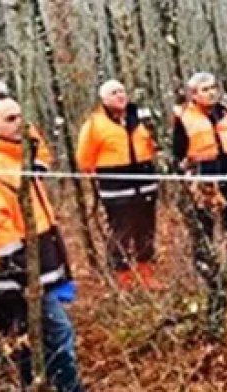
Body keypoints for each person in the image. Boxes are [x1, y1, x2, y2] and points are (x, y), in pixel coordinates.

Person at [0, 94, 91, 392]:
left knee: (31, 345)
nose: (19, 123)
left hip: (38, 262)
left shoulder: (18, 155)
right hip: (19, 275)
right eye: (9, 119)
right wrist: (24, 271)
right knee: (54, 338)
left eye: (20, 116)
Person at [76, 80, 162, 290]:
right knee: (121, 231)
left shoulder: (140, 119)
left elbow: (155, 146)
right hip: (116, 187)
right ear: (104, 99)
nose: (120, 95)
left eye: (122, 91)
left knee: (146, 229)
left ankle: (147, 273)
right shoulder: (94, 124)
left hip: (145, 183)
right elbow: (84, 158)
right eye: (114, 93)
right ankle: (123, 279)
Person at [173, 72, 227, 279]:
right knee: (204, 227)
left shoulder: (226, 112)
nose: (210, 93)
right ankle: (208, 273)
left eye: (213, 88)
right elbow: (178, 152)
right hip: (204, 179)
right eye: (205, 90)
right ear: (194, 94)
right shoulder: (184, 117)